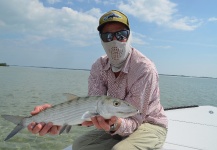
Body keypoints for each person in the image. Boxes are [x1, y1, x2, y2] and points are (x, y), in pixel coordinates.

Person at [28, 10, 168, 150]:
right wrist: (61, 116)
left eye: (121, 35)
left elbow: (135, 119)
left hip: (148, 124)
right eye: (107, 36)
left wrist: (113, 124)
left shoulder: (144, 69)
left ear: (129, 36)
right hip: (114, 123)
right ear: (101, 39)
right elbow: (90, 110)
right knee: (79, 145)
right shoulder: (99, 66)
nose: (114, 40)